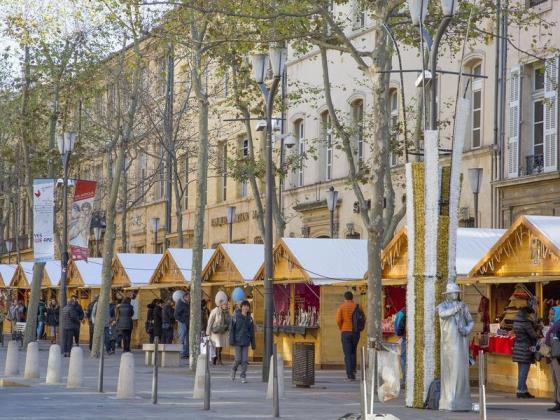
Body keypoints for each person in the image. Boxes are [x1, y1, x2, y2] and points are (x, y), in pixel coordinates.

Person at [436, 282, 474, 411]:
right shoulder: (442, 307)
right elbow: (443, 314)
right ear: (448, 294)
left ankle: (462, 399)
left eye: (457, 293)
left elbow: (471, 321)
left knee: (461, 370)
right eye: (453, 293)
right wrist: (456, 309)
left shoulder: (463, 307)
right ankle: (448, 399)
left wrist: (467, 329)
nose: (456, 295)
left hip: (461, 343)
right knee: (450, 371)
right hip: (448, 344)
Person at [336, 291, 364, 381]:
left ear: (345, 298)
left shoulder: (342, 307)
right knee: (353, 351)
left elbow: (338, 319)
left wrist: (341, 327)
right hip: (355, 332)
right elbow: (363, 318)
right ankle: (353, 370)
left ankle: (350, 375)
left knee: (347, 354)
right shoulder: (357, 307)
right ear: (352, 298)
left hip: (345, 332)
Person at [513, 306, 538, 399]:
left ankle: (523, 389)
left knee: (521, 371)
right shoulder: (526, 323)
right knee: (524, 371)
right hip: (525, 348)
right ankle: (521, 391)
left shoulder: (516, 321)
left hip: (518, 347)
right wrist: (537, 328)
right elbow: (533, 335)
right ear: (528, 314)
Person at [229, 300, 255, 383]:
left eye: (247, 306)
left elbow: (252, 332)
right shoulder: (235, 316)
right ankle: (233, 369)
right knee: (238, 359)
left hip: (246, 341)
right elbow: (231, 329)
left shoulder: (250, 318)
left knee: (244, 360)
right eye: (244, 306)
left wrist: (253, 343)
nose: (246, 307)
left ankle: (243, 376)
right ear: (241, 307)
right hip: (237, 341)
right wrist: (231, 340)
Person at [207, 294, 230, 365]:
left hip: (223, 331)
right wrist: (208, 331)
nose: (226, 305)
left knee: (220, 346)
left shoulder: (227, 312)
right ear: (221, 305)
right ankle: (218, 359)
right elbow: (210, 321)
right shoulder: (215, 311)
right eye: (225, 304)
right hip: (216, 331)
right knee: (217, 345)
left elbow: (229, 321)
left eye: (226, 304)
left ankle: (216, 358)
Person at [545, 306, 560, 412]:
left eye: (552, 314)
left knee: (558, 380)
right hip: (554, 355)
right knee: (556, 380)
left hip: (558, 356)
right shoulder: (554, 325)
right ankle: (557, 402)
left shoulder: (557, 325)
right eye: (550, 314)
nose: (550, 316)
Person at [174, 292, 190, 359]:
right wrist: (182, 320)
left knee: (186, 338)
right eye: (189, 297)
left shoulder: (186, 303)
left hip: (186, 322)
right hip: (182, 322)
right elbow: (176, 315)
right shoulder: (180, 303)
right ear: (185, 296)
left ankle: (185, 353)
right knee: (182, 337)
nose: (190, 298)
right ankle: (180, 353)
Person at [394, 307, 406, 387]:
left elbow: (398, 326)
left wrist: (399, 334)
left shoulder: (402, 312)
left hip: (405, 338)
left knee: (404, 358)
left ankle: (405, 380)